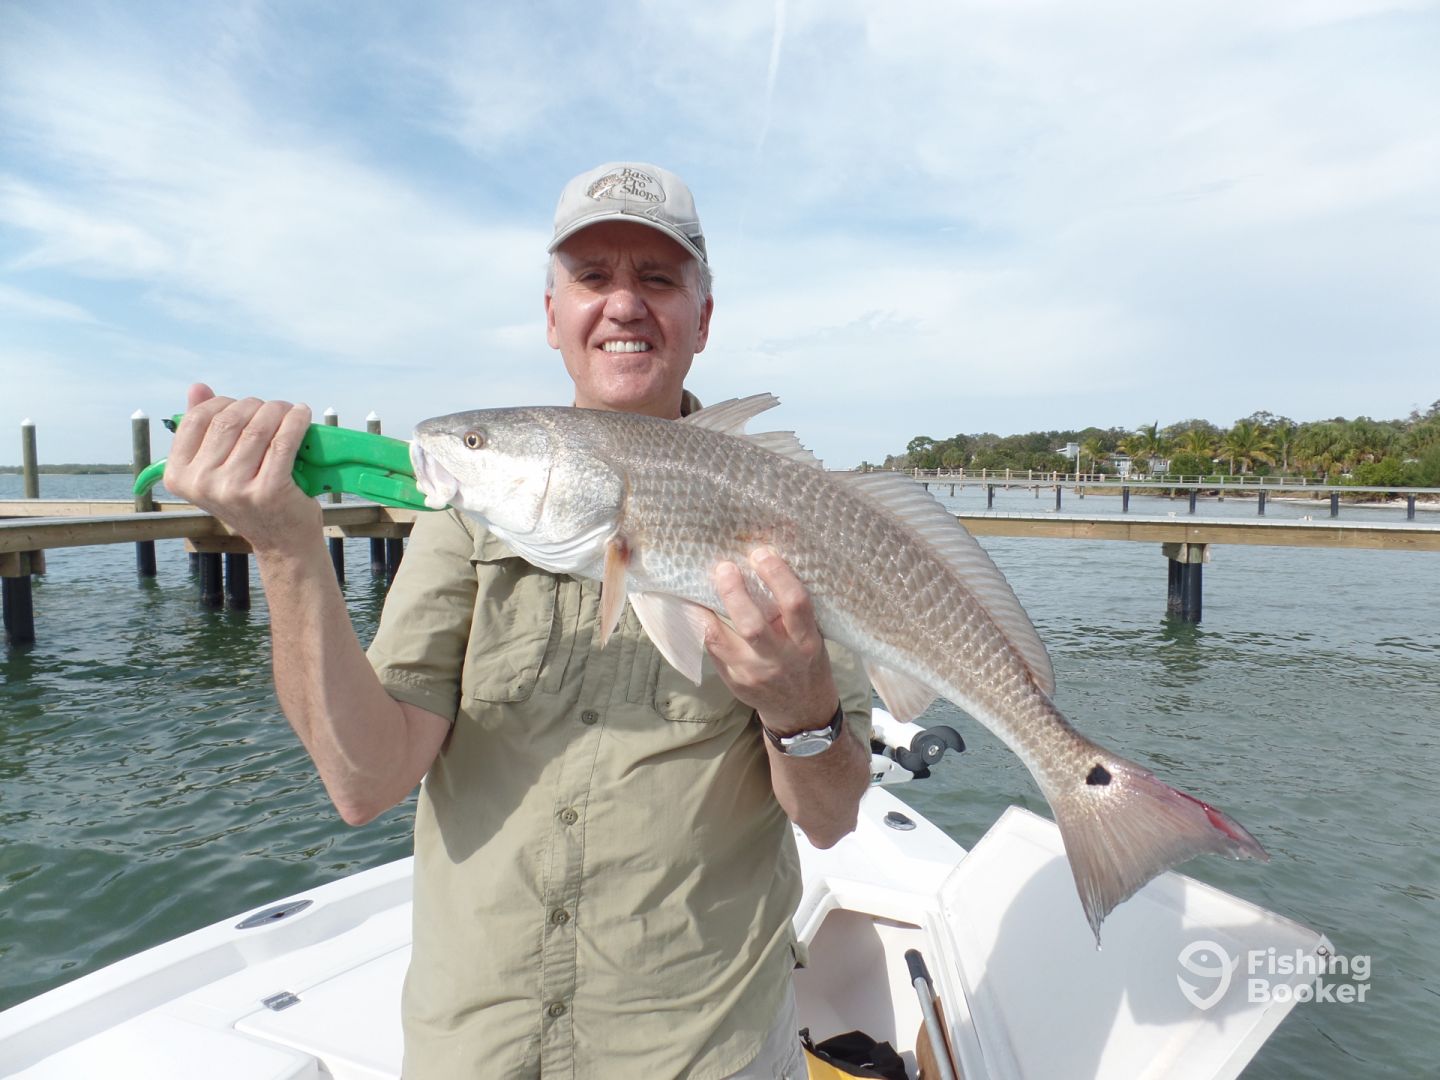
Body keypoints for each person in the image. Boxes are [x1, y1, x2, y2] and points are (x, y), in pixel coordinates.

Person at [162, 161, 873, 1079]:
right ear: (552, 316)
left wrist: (801, 708)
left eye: (658, 278)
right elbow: (364, 782)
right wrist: (286, 551)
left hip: (700, 1050)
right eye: (592, 277)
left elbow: (832, 818)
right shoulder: (470, 515)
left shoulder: (786, 512)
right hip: (476, 1050)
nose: (624, 304)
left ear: (702, 319)